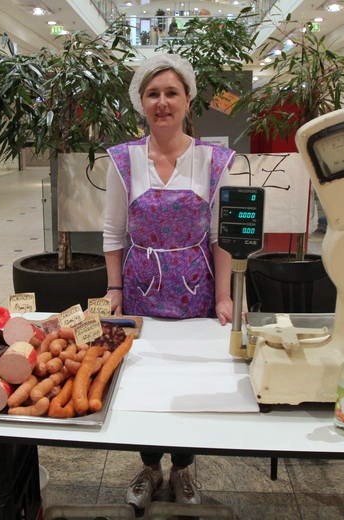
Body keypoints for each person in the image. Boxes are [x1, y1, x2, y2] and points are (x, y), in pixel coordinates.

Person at [102, 53, 234, 511]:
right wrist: (114, 291)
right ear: (141, 102)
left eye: (171, 93)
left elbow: (221, 236)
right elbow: (113, 234)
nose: (162, 102)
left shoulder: (213, 160)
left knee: (188, 375)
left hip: (195, 287)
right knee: (142, 377)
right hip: (140, 287)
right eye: (153, 93)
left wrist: (223, 296)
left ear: (187, 99)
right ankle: (148, 465)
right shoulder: (123, 159)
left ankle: (182, 467)